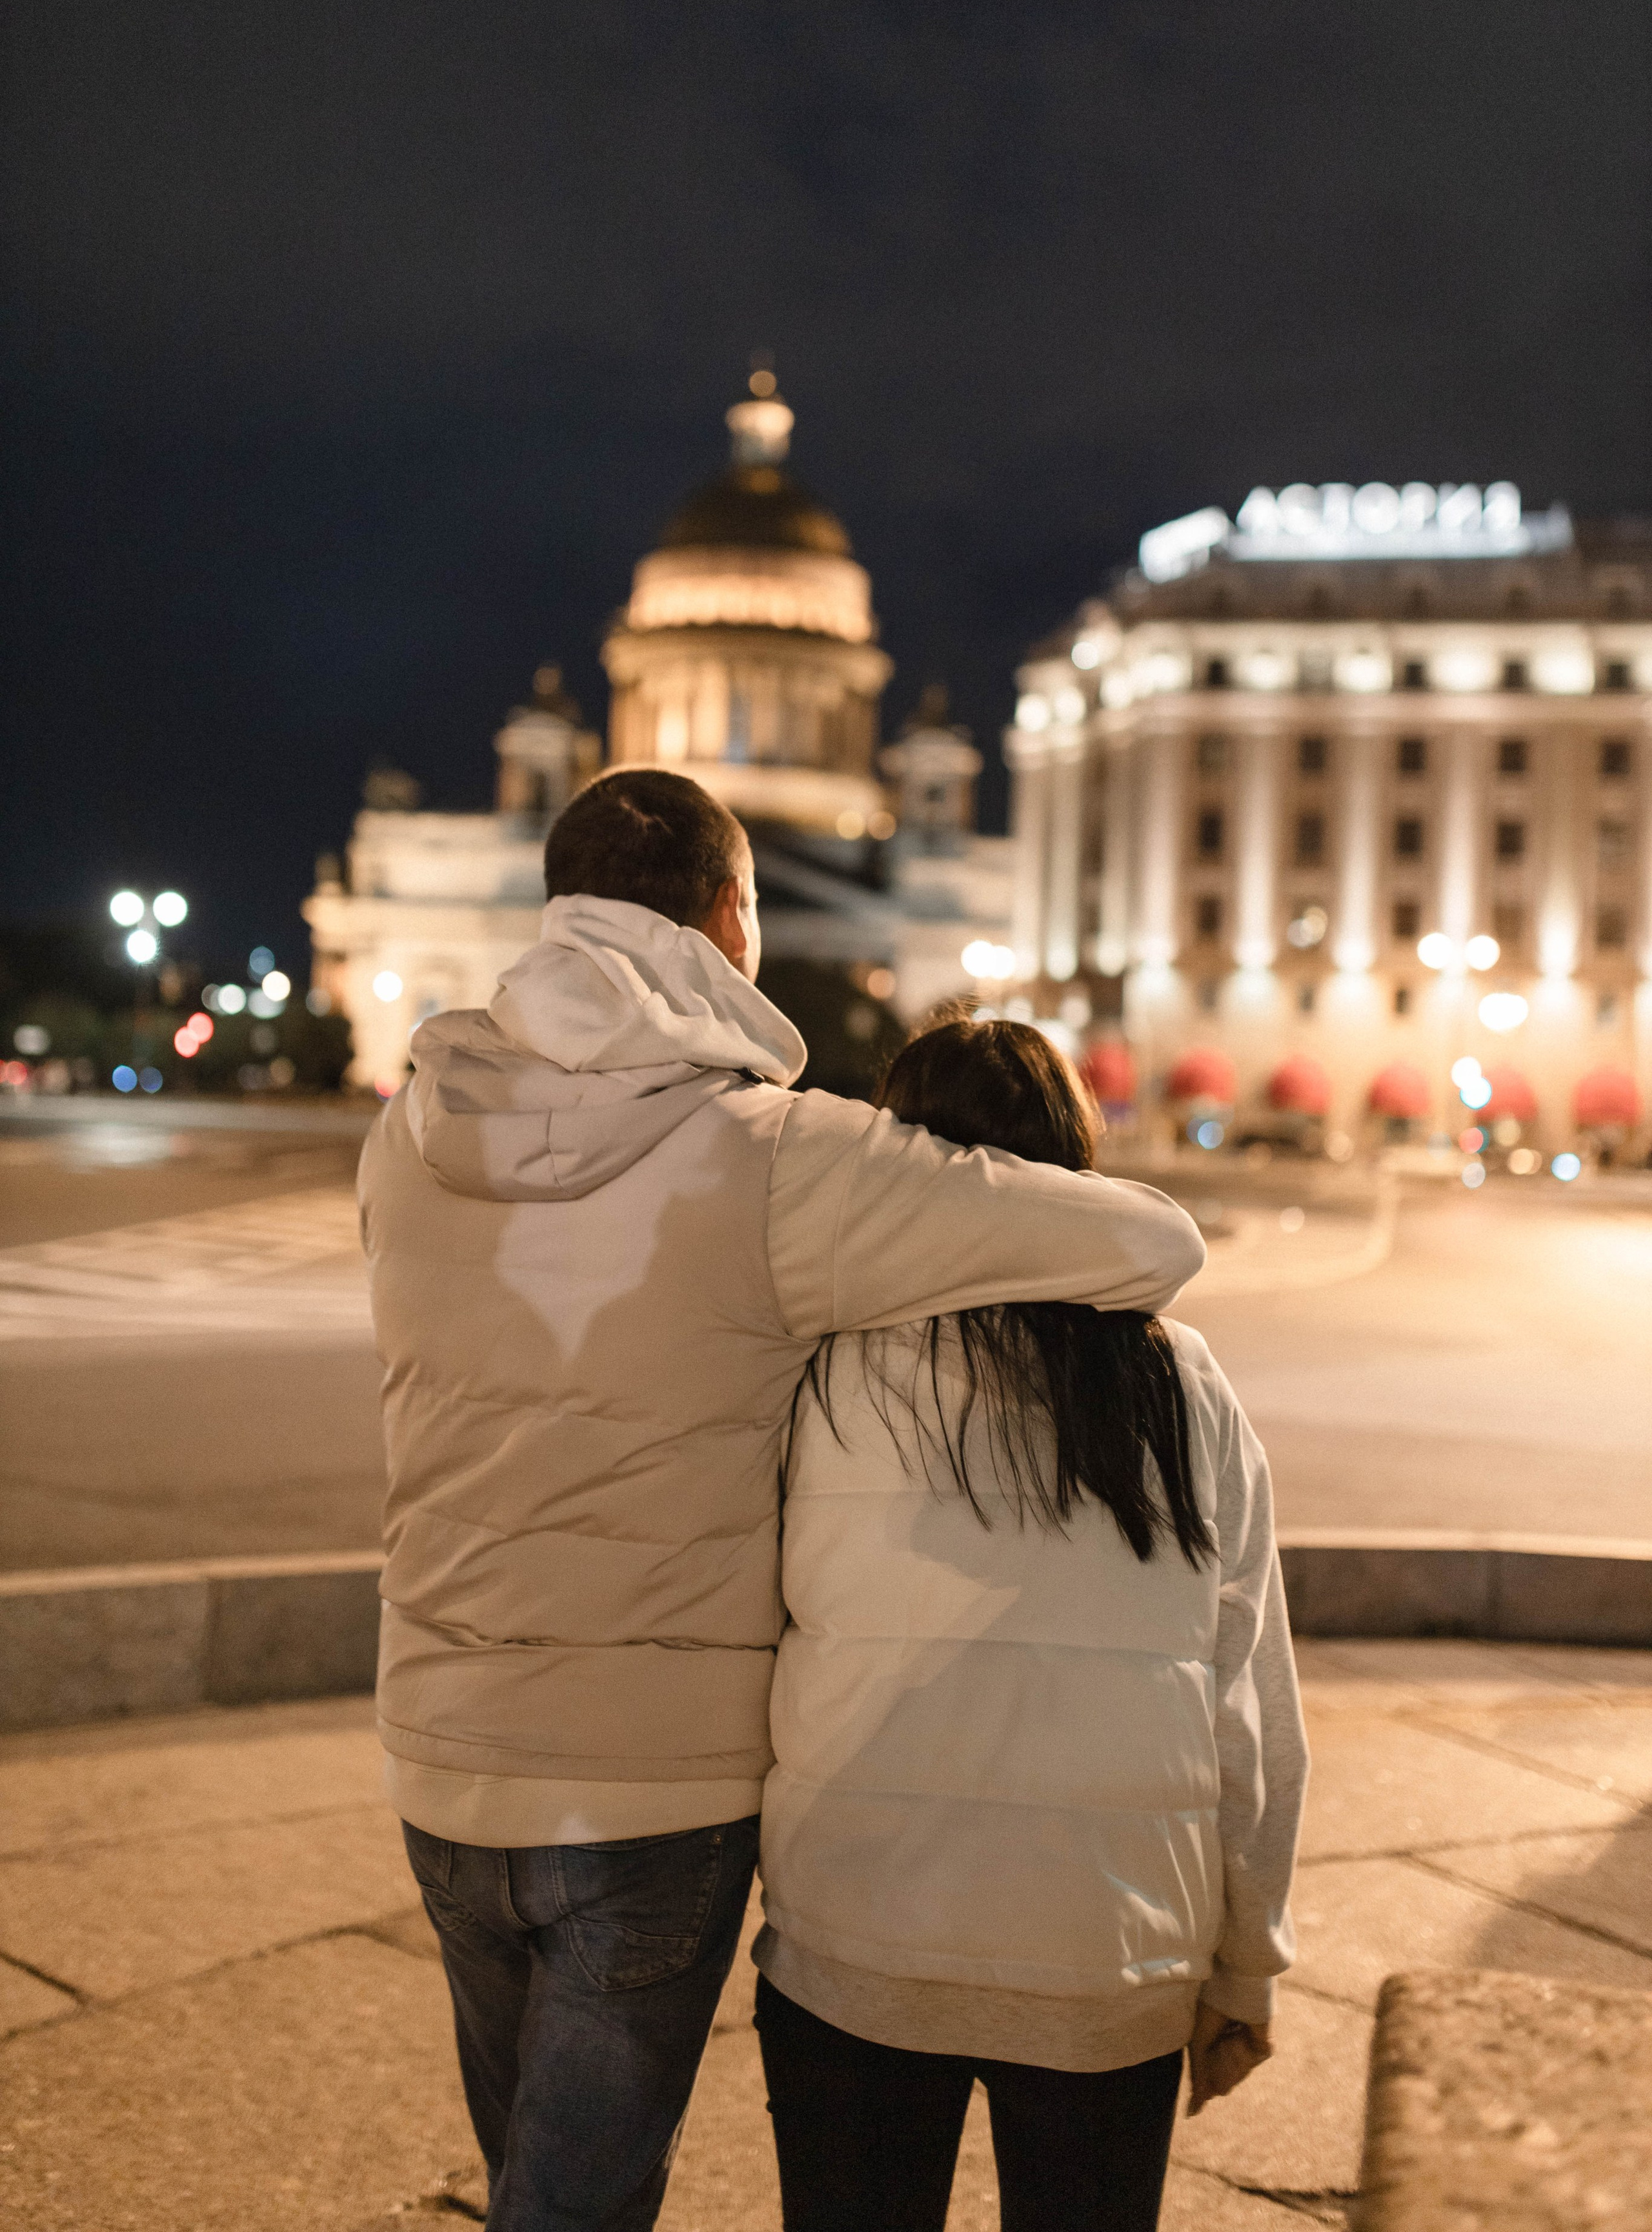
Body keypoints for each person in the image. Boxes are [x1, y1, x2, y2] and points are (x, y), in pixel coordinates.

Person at [358, 768, 1205, 2232]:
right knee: (573, 2204)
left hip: (434, 1745)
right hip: (647, 1788)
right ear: (730, 919)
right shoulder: (775, 1158)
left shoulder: (409, 1130)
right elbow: (1148, 1246)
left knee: (534, 2184)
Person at [754, 1014, 1308, 2232]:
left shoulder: (826, 1371)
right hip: (1108, 1950)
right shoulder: (1182, 1381)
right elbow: (1247, 1697)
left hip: (859, 1932)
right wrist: (1246, 1965)